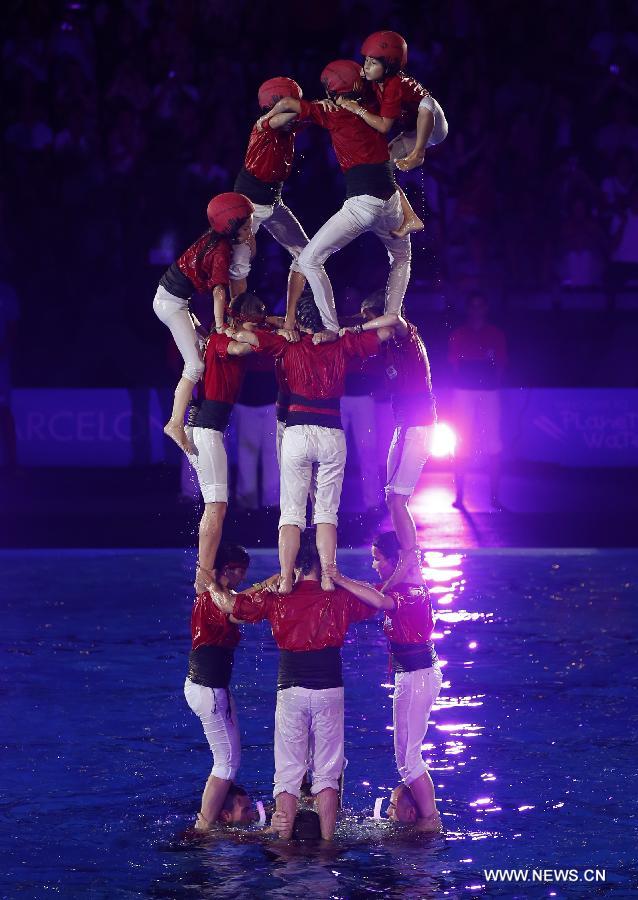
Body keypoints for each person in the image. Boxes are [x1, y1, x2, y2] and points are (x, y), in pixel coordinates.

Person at [207, 528, 393, 841]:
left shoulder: (279, 598)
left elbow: (233, 607)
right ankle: (328, 844)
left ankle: (283, 845)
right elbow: (378, 598)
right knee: (328, 773)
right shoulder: (339, 596)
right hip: (329, 690)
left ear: (291, 560)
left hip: (291, 691)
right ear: (324, 562)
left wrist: (209, 582)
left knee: (289, 772)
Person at [233, 291, 392, 593]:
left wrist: (279, 324)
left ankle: (284, 580)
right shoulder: (341, 343)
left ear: (300, 321)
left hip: (297, 433)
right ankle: (329, 578)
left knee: (292, 514)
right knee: (325, 514)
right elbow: (385, 330)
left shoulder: (286, 343)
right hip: (331, 432)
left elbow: (244, 333)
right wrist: (350, 329)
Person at [262, 60, 410, 335]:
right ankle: (392, 315)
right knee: (401, 257)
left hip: (362, 204)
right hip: (390, 200)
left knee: (308, 260)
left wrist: (271, 113)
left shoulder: (333, 113)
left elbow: (286, 109)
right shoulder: (374, 102)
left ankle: (331, 327)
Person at [342, 294, 436, 588]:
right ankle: (406, 560)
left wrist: (359, 327)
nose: (368, 325)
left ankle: (412, 563)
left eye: (370, 318)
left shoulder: (408, 335)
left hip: (420, 425)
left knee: (397, 498)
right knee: (391, 496)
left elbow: (393, 320)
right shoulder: (386, 347)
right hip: (403, 425)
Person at [153, 192, 254, 452]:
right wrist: (220, 326)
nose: (250, 229)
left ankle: (193, 412)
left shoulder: (219, 239)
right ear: (230, 228)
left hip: (178, 301)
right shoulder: (221, 250)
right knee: (195, 364)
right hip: (170, 304)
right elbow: (219, 292)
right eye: (245, 226)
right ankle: (174, 422)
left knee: (207, 349)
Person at [188, 293, 268, 593]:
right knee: (216, 506)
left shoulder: (224, 332)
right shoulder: (223, 337)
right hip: (206, 427)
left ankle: (204, 572)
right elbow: (239, 347)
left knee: (217, 505)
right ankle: (204, 574)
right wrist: (255, 334)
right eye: (252, 322)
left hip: (209, 426)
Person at [338, 30, 448, 237]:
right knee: (383, 167)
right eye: (366, 60)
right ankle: (410, 217)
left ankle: (419, 154)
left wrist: (356, 108)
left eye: (373, 62)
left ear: (389, 66)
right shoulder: (377, 78)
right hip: (413, 132)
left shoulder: (394, 84)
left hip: (433, 128)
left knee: (427, 103)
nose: (366, 66)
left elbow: (383, 127)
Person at [370, 531, 442, 834]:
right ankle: (429, 820)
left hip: (416, 676)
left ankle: (430, 822)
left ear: (394, 561)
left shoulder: (408, 593)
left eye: (377, 559)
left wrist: (337, 577)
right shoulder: (401, 586)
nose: (374, 565)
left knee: (409, 760)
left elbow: (375, 598)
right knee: (406, 758)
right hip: (414, 676)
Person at [184, 543, 258, 831]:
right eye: (242, 573)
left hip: (209, 686)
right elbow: (242, 611)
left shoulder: (212, 595)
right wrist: (270, 590)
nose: (243, 579)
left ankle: (213, 817)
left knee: (229, 760)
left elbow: (238, 600)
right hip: (209, 688)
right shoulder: (215, 600)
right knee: (226, 764)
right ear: (230, 570)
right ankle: (202, 829)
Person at [230, 78, 309, 304]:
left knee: (306, 253)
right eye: (291, 102)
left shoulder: (289, 128)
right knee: (239, 266)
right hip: (248, 204)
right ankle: (237, 318)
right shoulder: (263, 125)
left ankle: (293, 313)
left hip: (274, 202)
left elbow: (308, 116)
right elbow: (294, 113)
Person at [448, 293, 507, 510]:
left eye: (480, 306)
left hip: (489, 392)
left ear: (486, 308)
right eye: (472, 306)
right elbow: (454, 365)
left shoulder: (496, 334)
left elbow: (500, 365)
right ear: (468, 309)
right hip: (464, 392)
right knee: (461, 442)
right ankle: (460, 496)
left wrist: (489, 383)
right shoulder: (459, 335)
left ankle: (494, 497)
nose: (476, 310)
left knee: (493, 442)